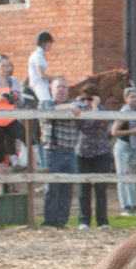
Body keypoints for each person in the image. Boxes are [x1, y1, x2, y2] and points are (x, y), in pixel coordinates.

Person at [39, 77, 82, 228]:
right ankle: (50, 220)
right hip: (52, 151)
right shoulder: (46, 103)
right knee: (52, 187)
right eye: (58, 87)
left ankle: (62, 220)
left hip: (70, 152)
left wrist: (71, 106)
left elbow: (82, 107)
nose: (61, 90)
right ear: (52, 89)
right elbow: (45, 112)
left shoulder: (74, 104)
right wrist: (68, 107)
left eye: (64, 87)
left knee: (67, 188)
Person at [76, 88, 112, 229]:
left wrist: (95, 106)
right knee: (83, 189)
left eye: (90, 98)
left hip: (101, 152)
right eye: (85, 98)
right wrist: (83, 105)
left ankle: (102, 220)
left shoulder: (104, 110)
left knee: (101, 189)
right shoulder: (80, 110)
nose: (87, 102)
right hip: (82, 153)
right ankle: (84, 220)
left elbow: (101, 122)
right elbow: (85, 126)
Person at [111, 86, 136, 216]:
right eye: (132, 97)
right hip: (123, 146)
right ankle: (125, 206)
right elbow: (114, 131)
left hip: (134, 146)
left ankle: (133, 205)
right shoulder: (124, 112)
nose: (135, 99)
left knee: (132, 176)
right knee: (123, 176)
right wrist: (133, 131)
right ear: (126, 99)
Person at [28, 31, 55, 107]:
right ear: (43, 43)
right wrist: (56, 77)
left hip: (43, 83)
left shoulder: (40, 55)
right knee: (47, 102)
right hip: (38, 84)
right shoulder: (38, 56)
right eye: (49, 43)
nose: (50, 46)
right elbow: (42, 75)